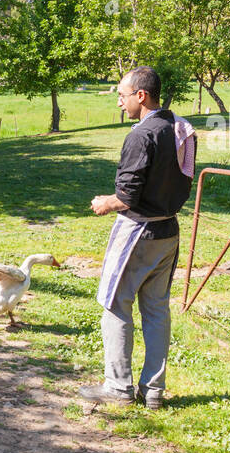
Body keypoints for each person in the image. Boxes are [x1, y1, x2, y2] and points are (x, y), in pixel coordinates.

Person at [79, 66, 193, 410]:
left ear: (141, 96)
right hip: (168, 230)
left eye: (121, 95)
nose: (119, 102)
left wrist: (105, 203)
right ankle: (154, 391)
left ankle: (118, 387)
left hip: (139, 232)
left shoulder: (141, 135)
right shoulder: (181, 128)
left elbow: (126, 196)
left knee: (115, 303)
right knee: (156, 309)